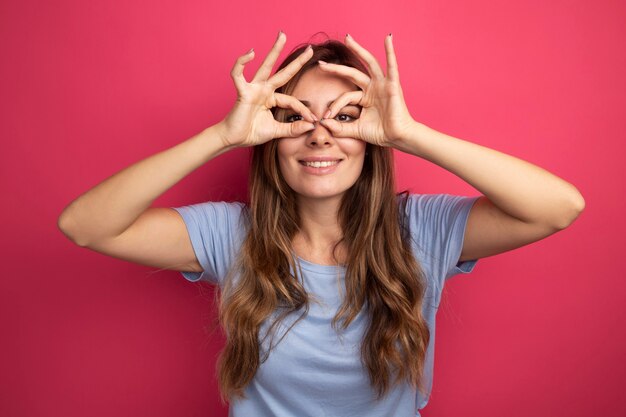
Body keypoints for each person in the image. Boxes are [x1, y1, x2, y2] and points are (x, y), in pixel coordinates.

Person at [58, 31, 585, 417]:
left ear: (372, 137)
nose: (319, 134)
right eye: (296, 116)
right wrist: (221, 135)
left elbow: (558, 207)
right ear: (270, 136)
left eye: (345, 116)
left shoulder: (420, 229)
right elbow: (87, 226)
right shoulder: (231, 236)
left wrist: (412, 134)